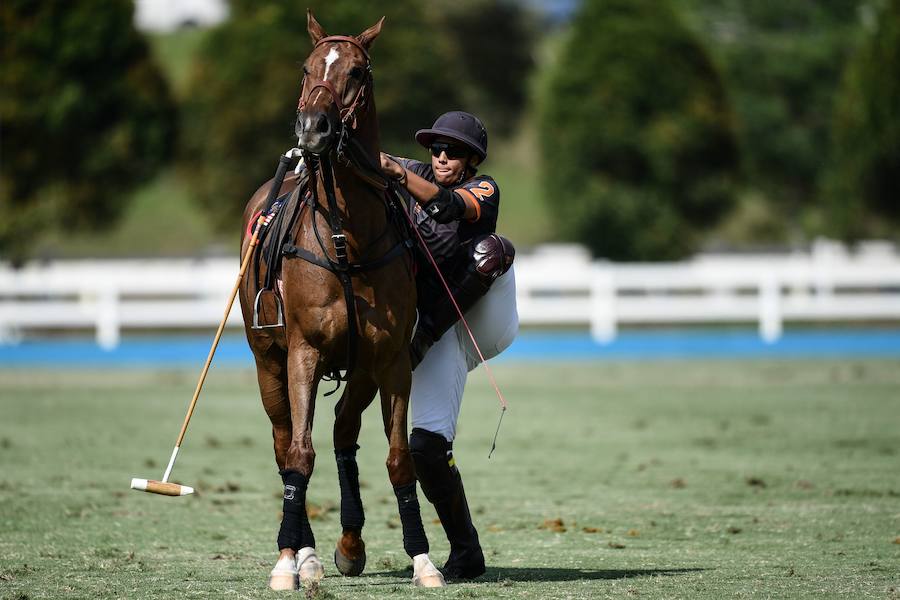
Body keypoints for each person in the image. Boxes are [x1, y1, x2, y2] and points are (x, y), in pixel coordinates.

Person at [380, 111, 519, 580]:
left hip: (485, 319)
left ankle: (422, 336)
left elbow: (446, 208)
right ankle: (466, 550)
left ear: (472, 159)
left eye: (453, 150)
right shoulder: (413, 169)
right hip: (436, 328)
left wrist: (397, 173)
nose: (441, 156)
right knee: (425, 447)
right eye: (435, 149)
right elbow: (370, 160)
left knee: (493, 249)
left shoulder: (486, 188)